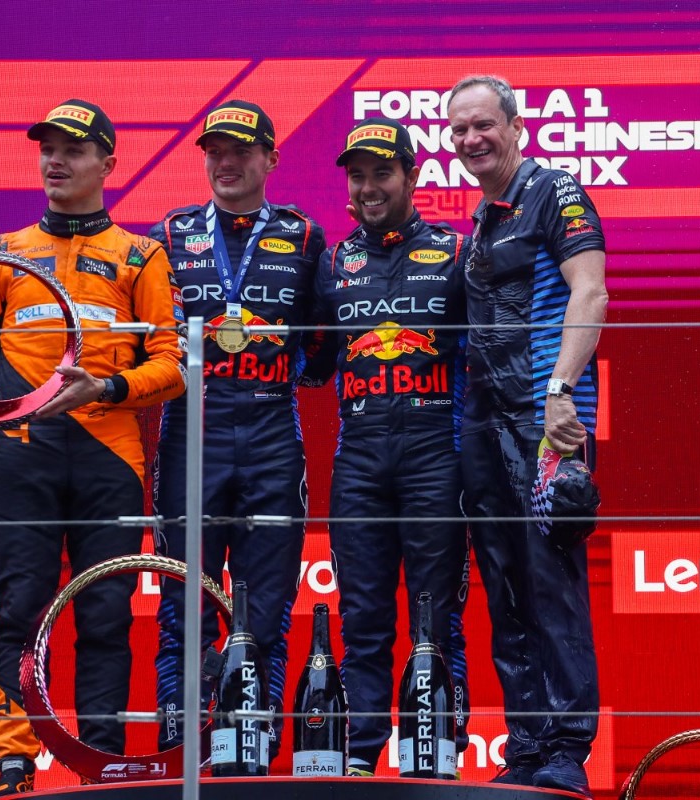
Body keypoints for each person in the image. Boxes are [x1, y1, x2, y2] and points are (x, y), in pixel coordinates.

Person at [0, 99, 187, 799]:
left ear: (108, 164)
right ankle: (14, 760)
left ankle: (101, 764)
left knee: (106, 613)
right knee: (20, 606)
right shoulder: (2, 252)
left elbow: (172, 365)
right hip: (24, 452)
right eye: (47, 149)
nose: (55, 162)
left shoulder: (141, 255)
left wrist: (104, 388)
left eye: (73, 150)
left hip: (109, 457)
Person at [148, 99, 326, 757]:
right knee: (183, 604)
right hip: (190, 430)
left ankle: (251, 752)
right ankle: (181, 746)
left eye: (241, 151)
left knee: (266, 606)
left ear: (270, 158)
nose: (226, 162)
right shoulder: (168, 233)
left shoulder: (304, 236)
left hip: (272, 429)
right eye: (215, 151)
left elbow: (322, 347)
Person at [447, 75, 608, 798]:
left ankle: (568, 750)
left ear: (515, 128)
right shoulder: (482, 219)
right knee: (505, 587)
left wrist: (561, 392)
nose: (472, 140)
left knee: (553, 585)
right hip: (486, 424)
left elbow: (590, 290)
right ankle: (527, 743)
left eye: (484, 125)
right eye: (459, 131)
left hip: (548, 423)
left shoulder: (556, 192)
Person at [310, 117, 470, 776]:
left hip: (436, 448)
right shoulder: (332, 262)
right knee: (364, 613)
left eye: (382, 172)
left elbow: (490, 355)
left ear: (412, 176)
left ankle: (438, 752)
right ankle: (362, 753)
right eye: (358, 175)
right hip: (361, 453)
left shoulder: (459, 252)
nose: (369, 187)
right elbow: (312, 362)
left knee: (438, 613)